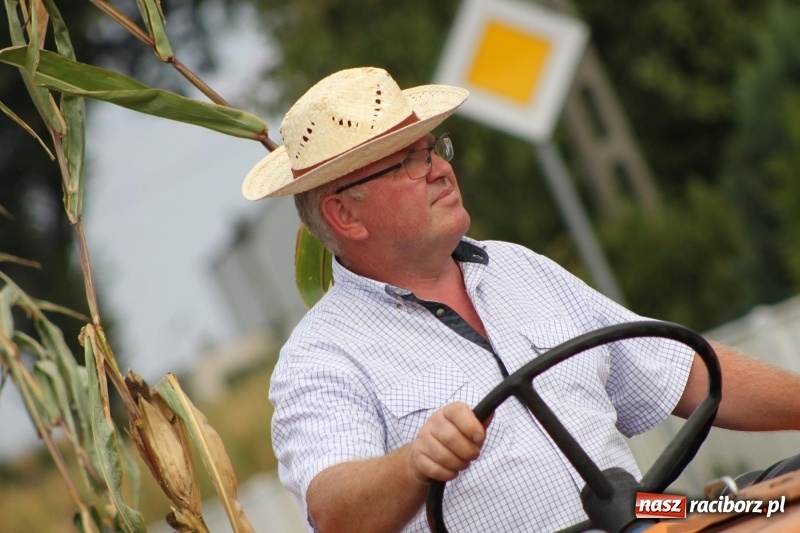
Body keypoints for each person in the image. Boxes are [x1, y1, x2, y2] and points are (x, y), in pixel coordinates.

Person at [242, 67, 800, 532]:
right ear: (345, 214)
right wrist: (416, 462)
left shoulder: (518, 267)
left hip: (647, 513)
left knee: (780, 499)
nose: (439, 168)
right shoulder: (322, 357)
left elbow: (689, 373)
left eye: (431, 148)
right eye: (408, 162)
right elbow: (334, 510)